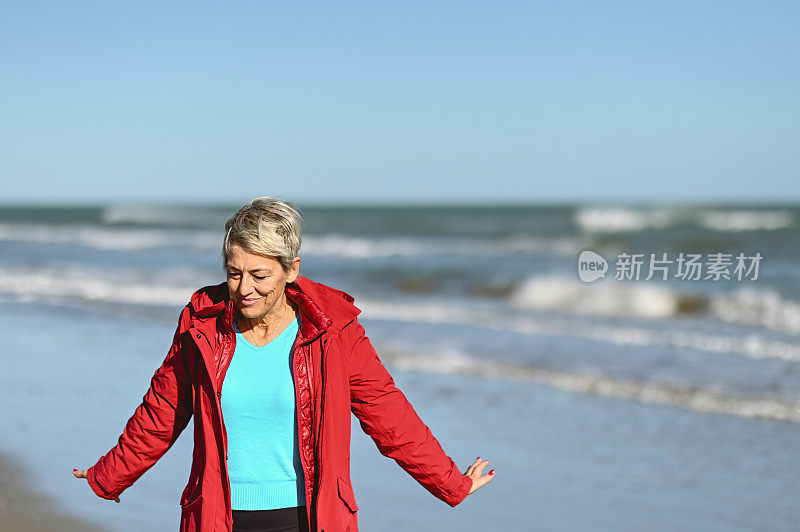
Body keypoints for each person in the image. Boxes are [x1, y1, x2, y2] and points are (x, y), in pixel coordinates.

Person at [73, 196, 495, 532]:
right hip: (218, 517)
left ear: (291, 269)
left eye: (259, 274)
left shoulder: (334, 332)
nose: (244, 288)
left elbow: (388, 413)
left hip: (309, 518)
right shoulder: (201, 328)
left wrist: (450, 482)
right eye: (234, 273)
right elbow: (161, 412)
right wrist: (107, 475)